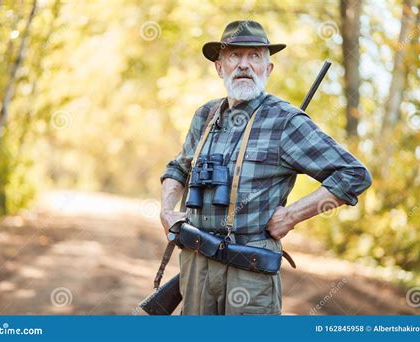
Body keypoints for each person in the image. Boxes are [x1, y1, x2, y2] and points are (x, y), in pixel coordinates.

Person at [159, 20, 372, 315]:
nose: (244, 65)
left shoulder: (285, 121)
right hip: (196, 265)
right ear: (220, 67)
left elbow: (354, 175)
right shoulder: (205, 115)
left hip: (250, 269)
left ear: (267, 69)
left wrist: (292, 215)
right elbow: (178, 167)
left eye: (255, 56)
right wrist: (167, 209)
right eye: (234, 55)